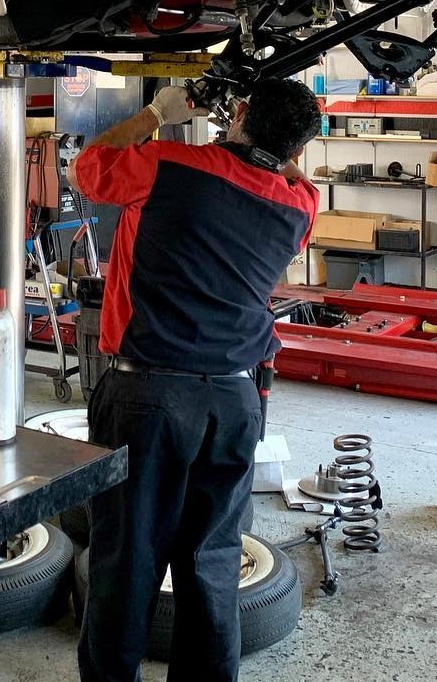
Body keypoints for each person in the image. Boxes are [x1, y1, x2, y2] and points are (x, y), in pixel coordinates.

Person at [71, 78, 323, 682]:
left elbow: (90, 168)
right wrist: (264, 133)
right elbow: (282, 165)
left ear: (236, 112)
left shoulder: (167, 163)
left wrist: (154, 115)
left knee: (128, 560)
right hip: (236, 401)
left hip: (149, 397)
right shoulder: (300, 204)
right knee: (212, 560)